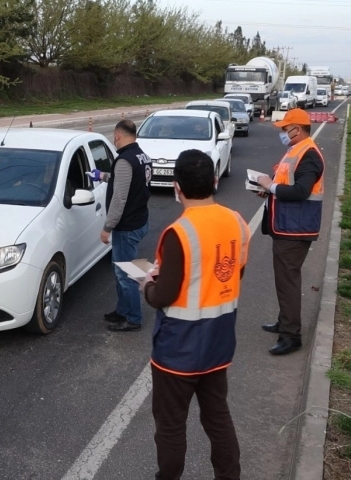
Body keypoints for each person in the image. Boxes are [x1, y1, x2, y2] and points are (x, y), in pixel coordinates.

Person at [141, 149, 250, 480]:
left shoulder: (179, 232)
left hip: (178, 351)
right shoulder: (237, 221)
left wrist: (147, 283)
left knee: (171, 426)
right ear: (215, 181)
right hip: (219, 343)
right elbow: (233, 274)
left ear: (177, 188)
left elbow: (163, 296)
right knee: (217, 416)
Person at [254, 108, 325, 356]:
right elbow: (286, 184)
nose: (283, 133)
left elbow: (301, 192)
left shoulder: (309, 155)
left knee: (288, 281)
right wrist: (268, 189)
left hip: (296, 228)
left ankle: (291, 335)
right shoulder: (296, 150)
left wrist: (269, 185)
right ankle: (285, 323)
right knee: (284, 280)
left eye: (286, 129)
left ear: (298, 128)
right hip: (286, 225)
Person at [87, 119, 152, 332]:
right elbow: (124, 181)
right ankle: (122, 310)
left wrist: (107, 227)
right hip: (139, 220)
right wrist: (101, 176)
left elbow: (119, 198)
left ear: (117, 135)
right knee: (122, 270)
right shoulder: (142, 156)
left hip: (126, 226)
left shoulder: (124, 160)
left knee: (126, 275)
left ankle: (133, 318)